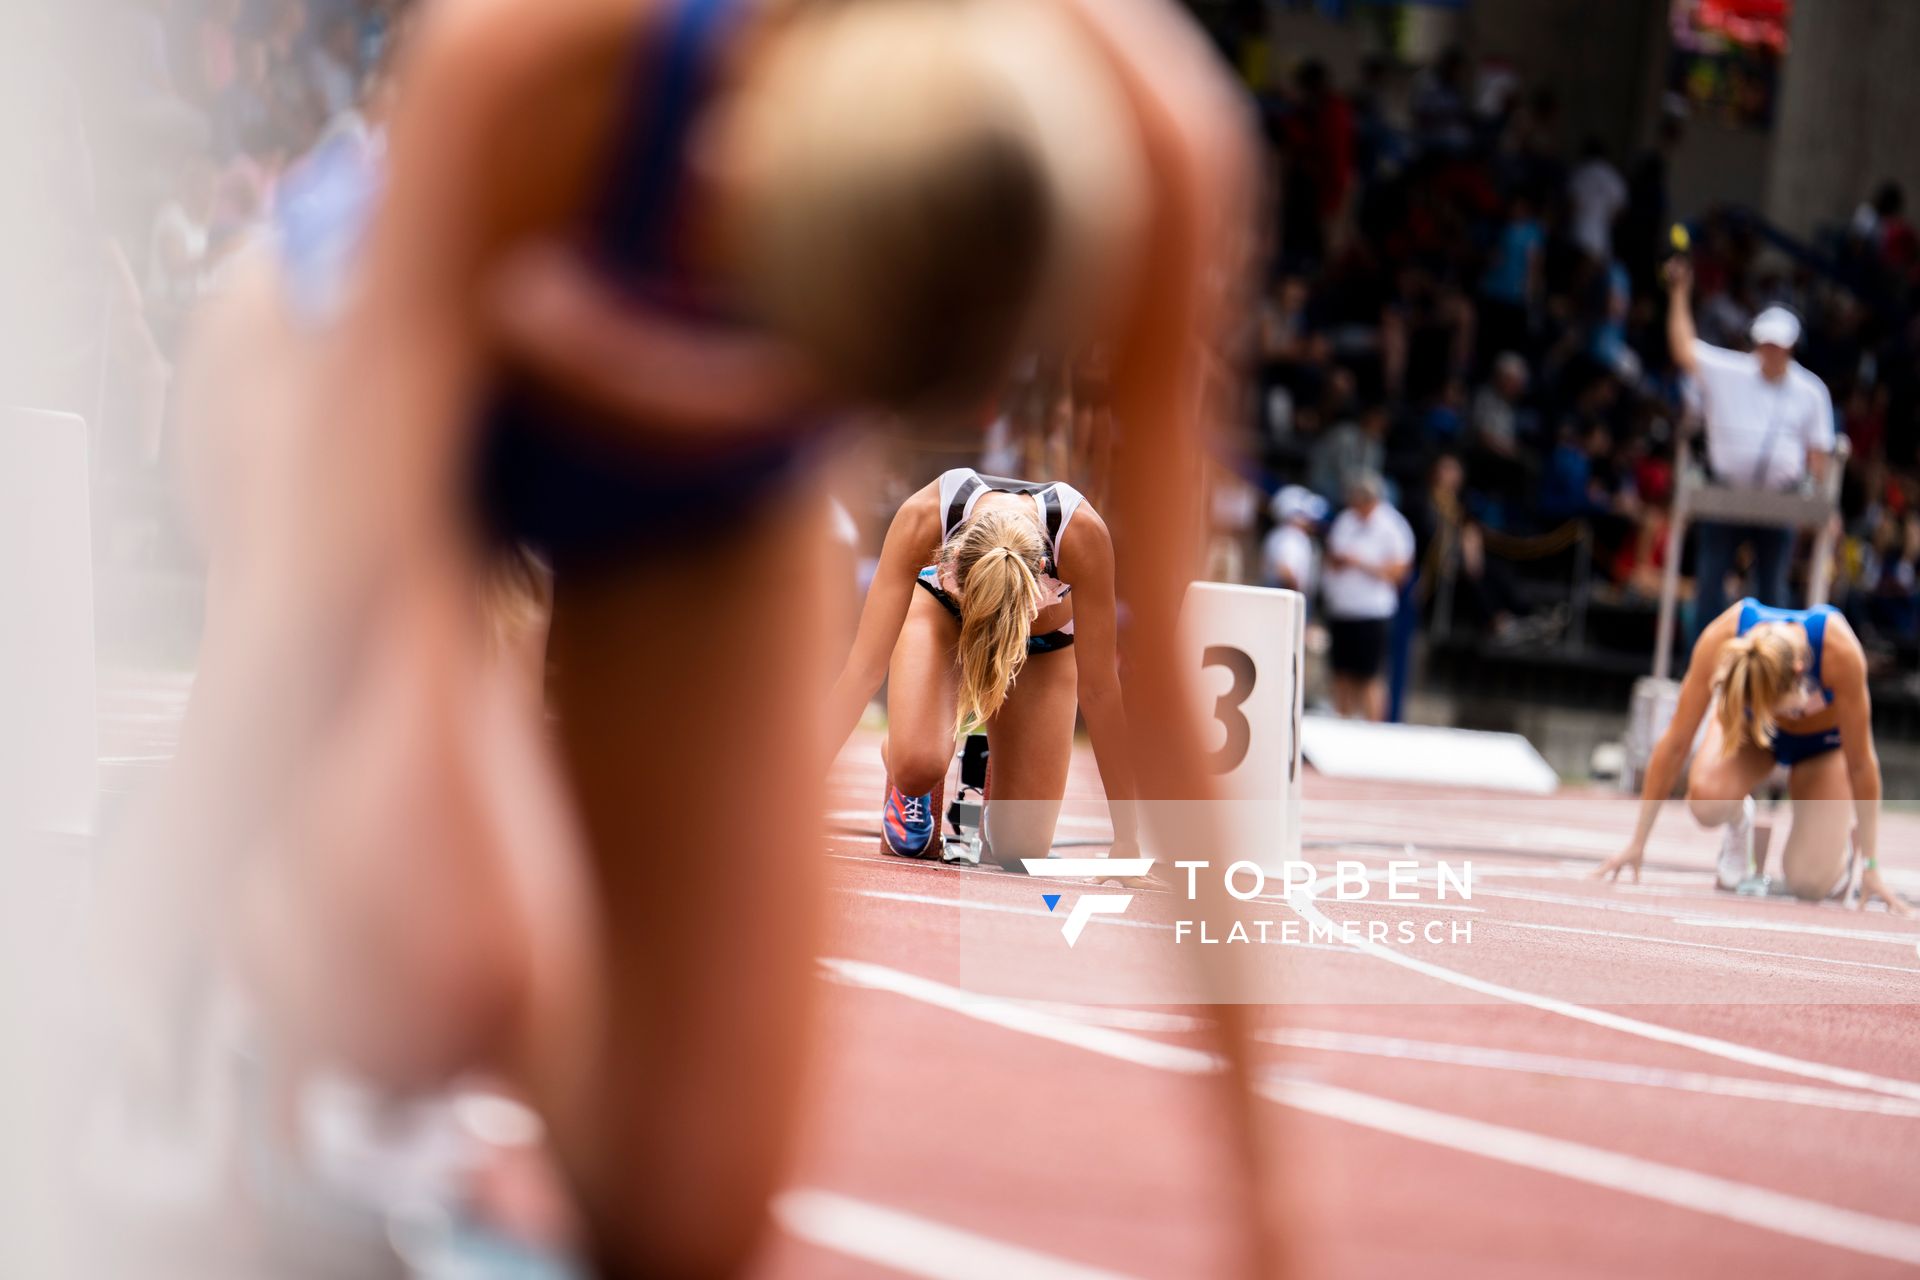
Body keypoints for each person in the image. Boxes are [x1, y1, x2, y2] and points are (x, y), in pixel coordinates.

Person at [116, 0, 1285, 1275]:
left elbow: (1161, 685)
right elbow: (316, 584)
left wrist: (1267, 1209)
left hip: (708, 482)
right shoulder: (539, 55)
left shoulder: (1163, 140)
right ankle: (248, 987)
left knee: (685, 1214)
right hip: (357, 362)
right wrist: (155, 950)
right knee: (455, 954)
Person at [830, 469, 1131, 865]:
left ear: (1042, 570)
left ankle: (996, 757)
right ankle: (911, 756)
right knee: (917, 764)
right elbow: (862, 671)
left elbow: (1100, 693)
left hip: (1044, 646)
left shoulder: (1083, 536)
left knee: (1019, 850)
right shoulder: (924, 516)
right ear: (950, 559)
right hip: (942, 620)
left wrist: (1128, 839)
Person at [1599, 598, 1910, 915]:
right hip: (1752, 739)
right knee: (1706, 802)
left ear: (1799, 671)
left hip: (1821, 748)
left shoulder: (1840, 651)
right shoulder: (1722, 638)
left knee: (1810, 884)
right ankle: (1739, 822)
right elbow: (1676, 741)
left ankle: (1841, 850)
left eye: (1783, 707)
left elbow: (1861, 763)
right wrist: (1637, 843)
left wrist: (1872, 866)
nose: (1784, 717)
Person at [1668, 260, 1836, 636]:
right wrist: (1680, 294)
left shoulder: (1811, 391)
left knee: (1773, 589)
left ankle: (1770, 672)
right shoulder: (1731, 371)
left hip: (1782, 502)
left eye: (1778, 346)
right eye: (1765, 344)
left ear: (1791, 348)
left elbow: (1820, 455)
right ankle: (1701, 663)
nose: (1771, 352)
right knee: (1710, 583)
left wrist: (1819, 502)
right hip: (1725, 496)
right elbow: (1683, 349)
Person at [1321, 472, 1413, 720]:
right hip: (1343, 608)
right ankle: (1342, 720)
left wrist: (1361, 563)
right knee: (1341, 672)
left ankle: (1374, 728)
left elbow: (1399, 571)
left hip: (1372, 611)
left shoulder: (1392, 526)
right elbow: (1332, 555)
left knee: (1369, 675)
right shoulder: (1346, 520)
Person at [1263, 484, 1325, 599]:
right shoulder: (1289, 536)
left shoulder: (1288, 535)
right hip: (1286, 595)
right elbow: (1285, 570)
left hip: (1287, 593)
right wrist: (1298, 595)